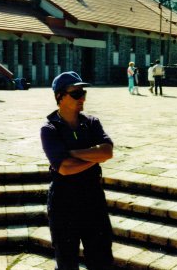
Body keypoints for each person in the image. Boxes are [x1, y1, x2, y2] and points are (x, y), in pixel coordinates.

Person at [40, 71, 114, 270]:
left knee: (102, 259)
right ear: (59, 97)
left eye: (83, 93)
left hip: (93, 198)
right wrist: (93, 156)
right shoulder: (50, 129)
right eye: (75, 94)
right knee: (66, 261)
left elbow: (107, 151)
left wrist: (73, 153)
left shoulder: (91, 123)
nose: (82, 97)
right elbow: (65, 168)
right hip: (64, 202)